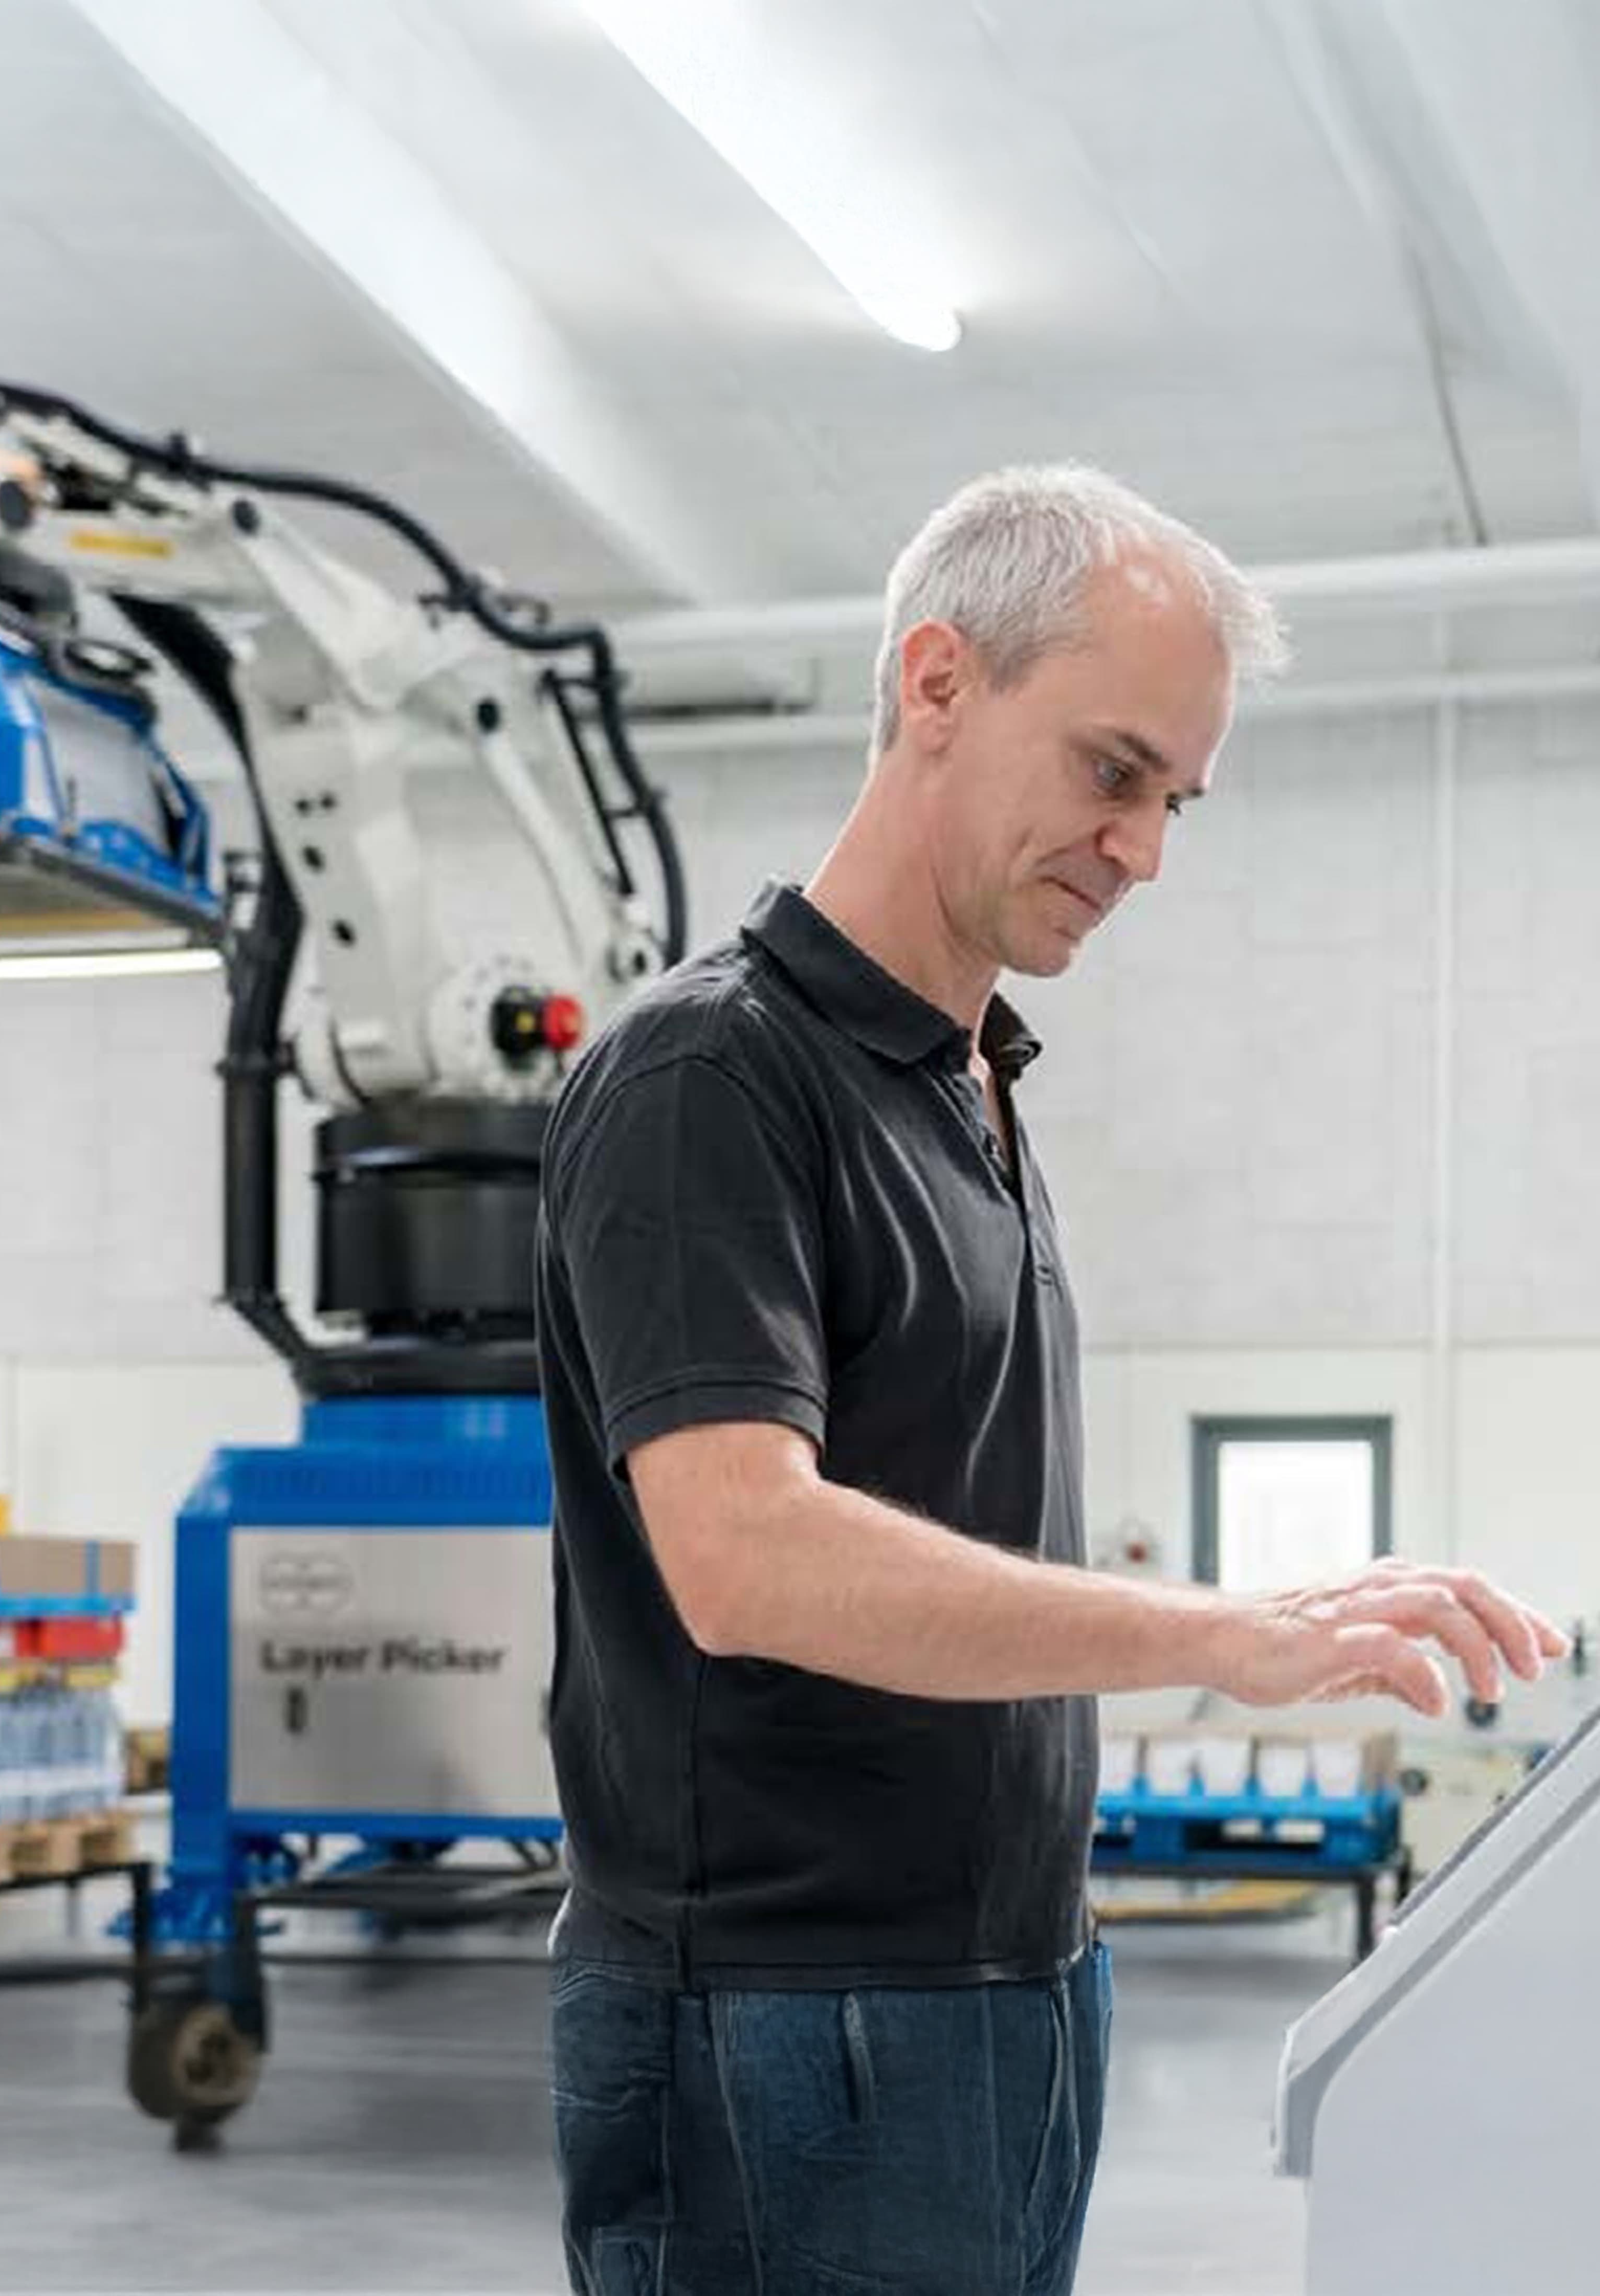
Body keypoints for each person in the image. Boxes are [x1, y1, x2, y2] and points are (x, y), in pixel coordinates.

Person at [533, 465, 1566, 2296]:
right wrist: (1220, 1634)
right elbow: (744, 1554)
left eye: (1176, 798)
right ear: (937, 685)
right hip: (790, 2028)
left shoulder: (969, 1087)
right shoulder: (716, 1080)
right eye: (1113, 772)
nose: (1148, 847)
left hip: (1004, 1985)